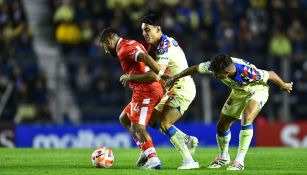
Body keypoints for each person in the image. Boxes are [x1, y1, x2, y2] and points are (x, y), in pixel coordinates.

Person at [165, 54, 293, 170]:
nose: (214, 75)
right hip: (238, 93)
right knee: (222, 126)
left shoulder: (248, 73)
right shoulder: (216, 66)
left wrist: (284, 85)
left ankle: (239, 161)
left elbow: (271, 74)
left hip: (257, 90)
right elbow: (195, 68)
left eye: (217, 74)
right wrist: (175, 77)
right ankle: (223, 157)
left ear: (226, 73)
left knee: (246, 117)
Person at [119, 12, 199, 169]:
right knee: (152, 120)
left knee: (164, 122)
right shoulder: (155, 47)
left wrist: (130, 77)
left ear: (158, 29)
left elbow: (155, 76)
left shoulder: (164, 46)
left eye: (147, 30)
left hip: (183, 88)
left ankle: (189, 161)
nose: (144, 34)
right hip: (173, 89)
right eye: (143, 30)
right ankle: (186, 139)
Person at [99, 28, 168, 169]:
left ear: (109, 41)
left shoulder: (124, 49)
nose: (106, 51)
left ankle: (153, 160)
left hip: (147, 90)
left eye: (105, 47)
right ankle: (144, 150)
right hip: (142, 90)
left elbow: (143, 57)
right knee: (124, 118)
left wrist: (158, 73)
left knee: (138, 126)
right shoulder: (128, 43)